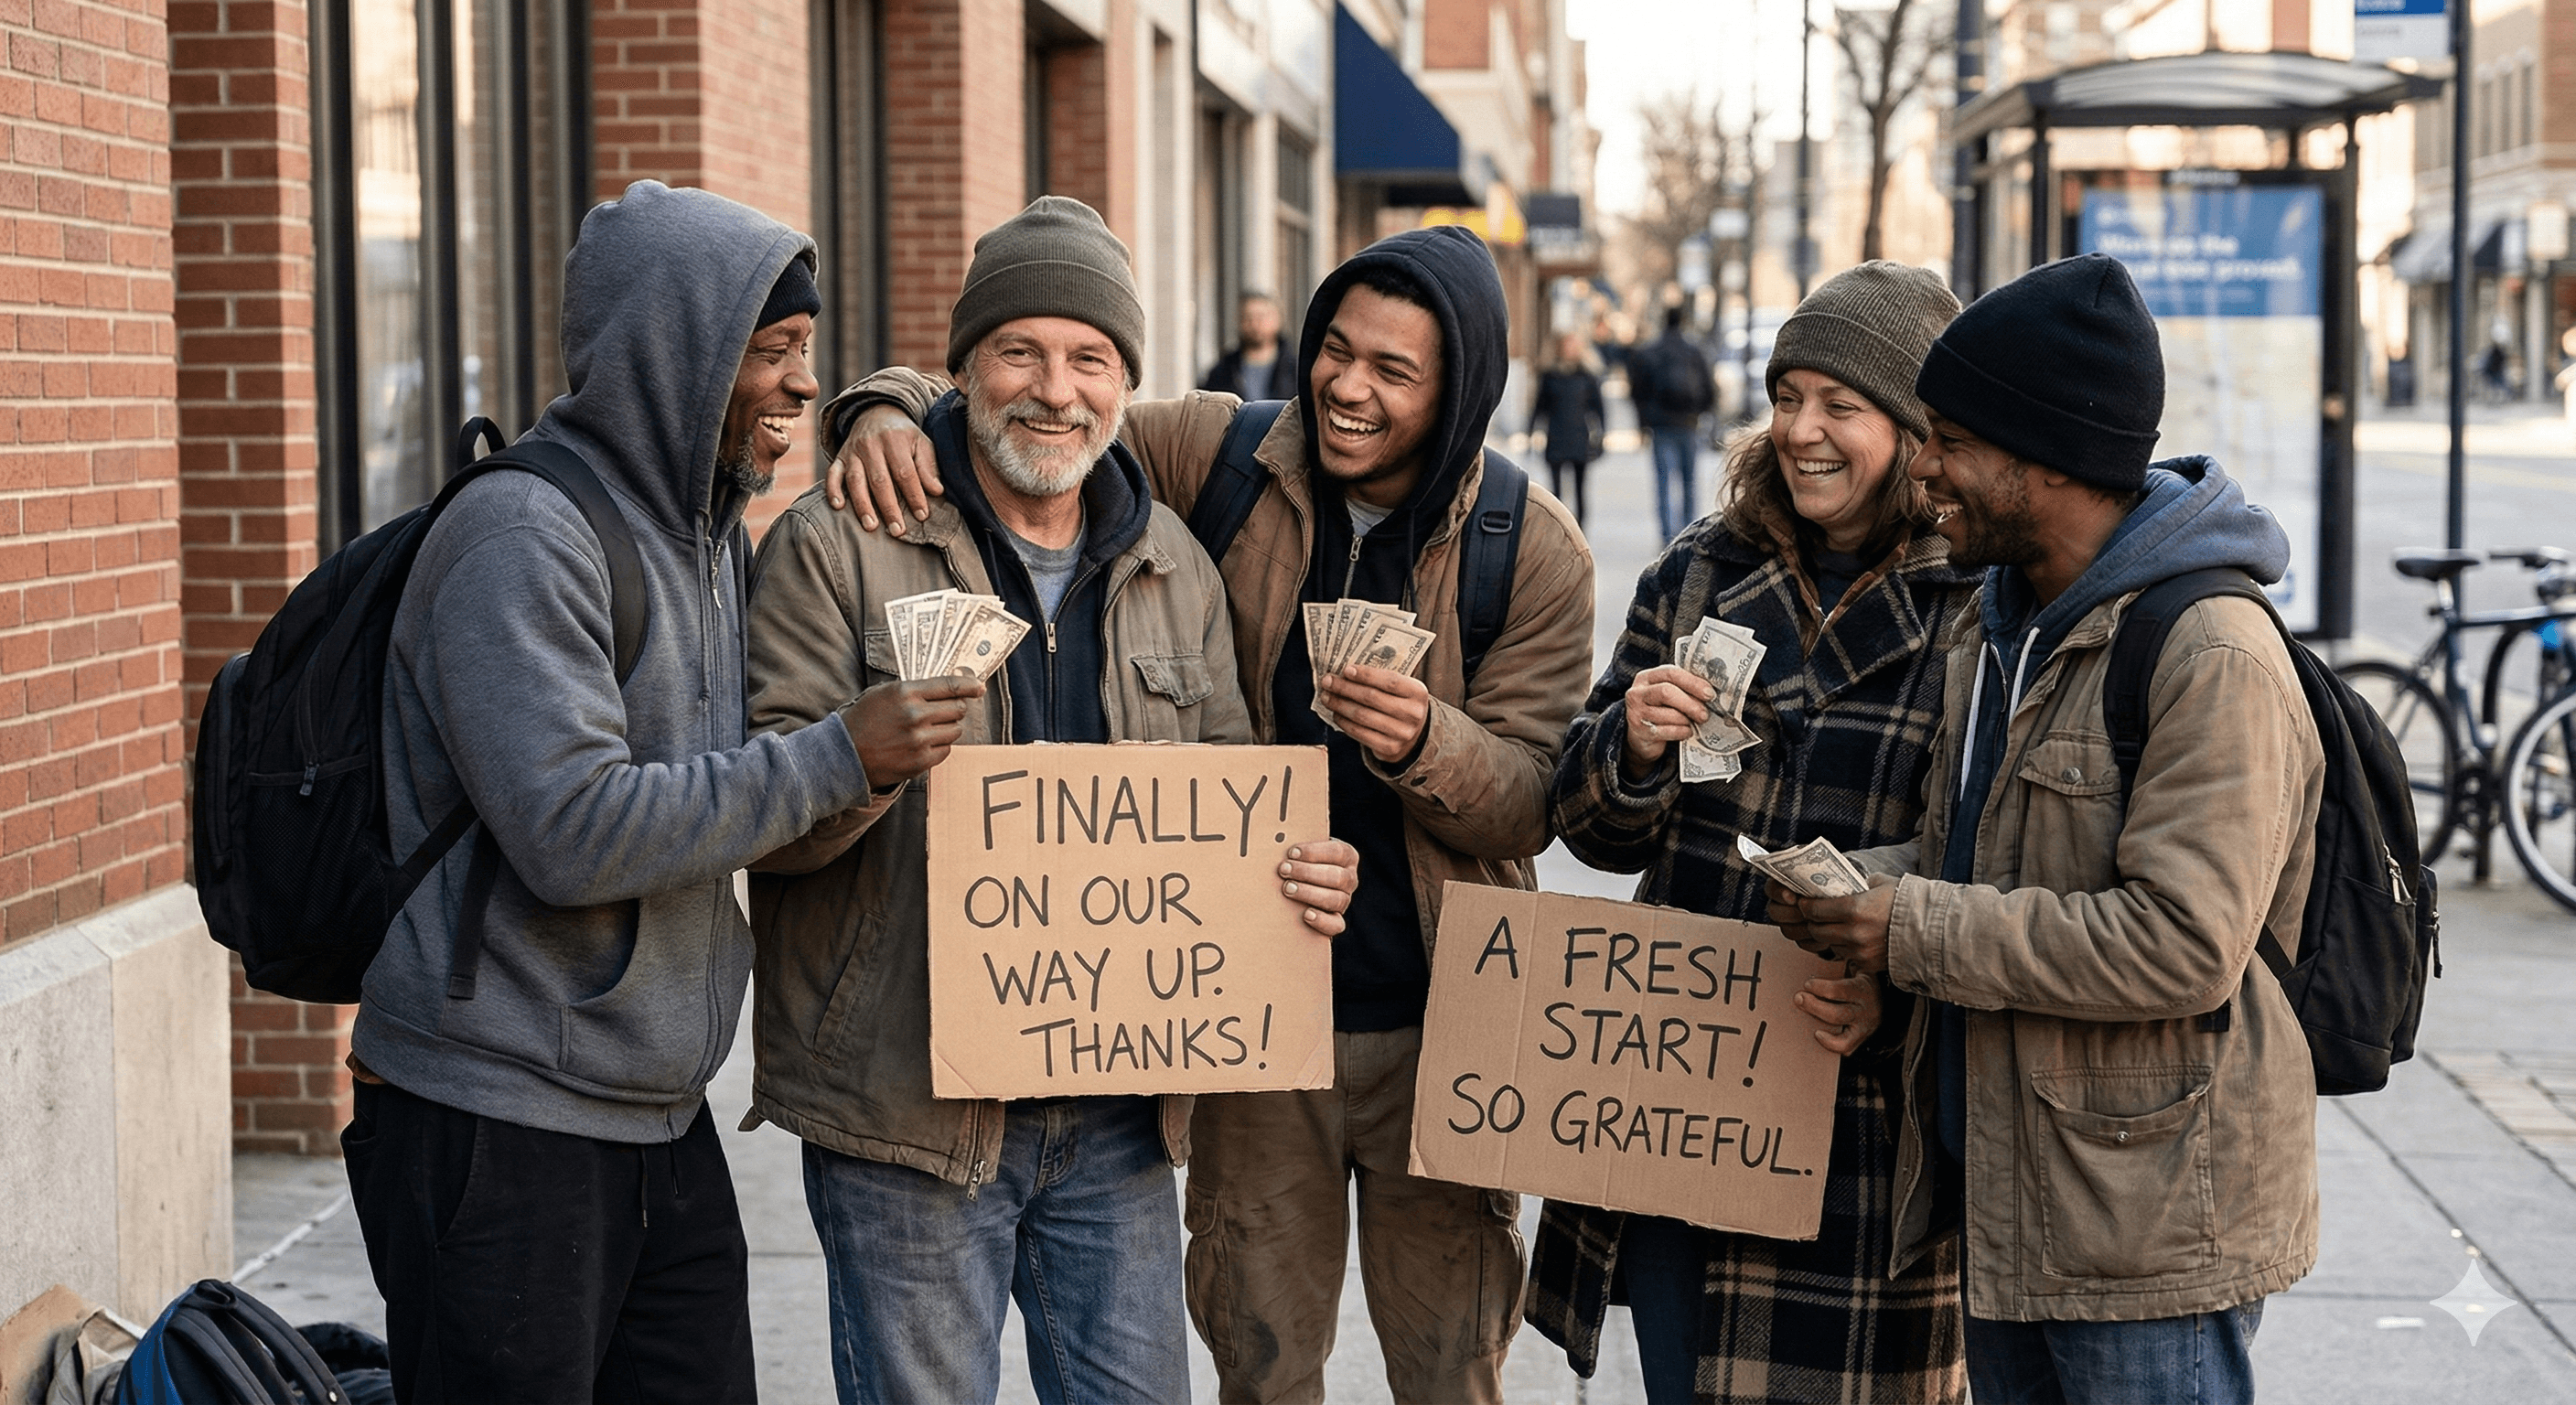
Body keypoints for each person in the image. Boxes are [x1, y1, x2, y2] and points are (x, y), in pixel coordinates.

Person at [827, 224, 1598, 1405]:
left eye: (1393, 372)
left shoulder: (1531, 549)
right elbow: (1041, 405)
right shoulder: (1229, 452)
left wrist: (1425, 739)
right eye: (1336, 349)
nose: (1346, 385)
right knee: (1262, 1359)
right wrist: (879, 410)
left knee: (1453, 1369)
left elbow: (1534, 802)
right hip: (1251, 1029)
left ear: (1458, 393)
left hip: (1444, 1033)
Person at [738, 196, 1359, 1405]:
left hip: (1119, 1116)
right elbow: (765, 823)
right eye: (1019, 349)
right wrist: (867, 757)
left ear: (1127, 382)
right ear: (964, 366)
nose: (1054, 389)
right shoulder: (837, 541)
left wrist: (1295, 882)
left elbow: (1228, 814)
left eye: (1091, 358)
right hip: (904, 1114)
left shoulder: (1175, 563)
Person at [344, 181, 898, 1404]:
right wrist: (840, 756)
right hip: (495, 1116)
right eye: (775, 352)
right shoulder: (523, 536)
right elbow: (572, 832)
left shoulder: (706, 537)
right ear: (679, 356)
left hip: (647, 1111)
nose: (804, 385)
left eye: (810, 353)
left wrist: (894, 408)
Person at [1772, 253, 2324, 1405]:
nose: (1923, 471)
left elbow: (2179, 942)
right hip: (2013, 1201)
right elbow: (1982, 857)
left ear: (2043, 462)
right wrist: (1853, 888)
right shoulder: (2000, 620)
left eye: (1949, 443)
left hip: (2148, 1234)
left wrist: (1908, 926)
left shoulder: (2210, 653)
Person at [1529, 262, 1973, 1404]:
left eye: (1842, 407)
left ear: (1918, 429)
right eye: (1787, 397)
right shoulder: (1699, 570)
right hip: (1686, 1092)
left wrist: (1899, 987)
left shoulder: (1974, 603)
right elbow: (1589, 832)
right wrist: (1626, 745)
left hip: (1859, 1111)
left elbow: (2001, 864)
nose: (1803, 432)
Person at [1632, 304, 1717, 541]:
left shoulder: (1651, 352)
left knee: (1663, 483)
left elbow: (1638, 391)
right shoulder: (1694, 351)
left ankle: (1668, 536)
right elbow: (1709, 388)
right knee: (1689, 482)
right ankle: (1689, 535)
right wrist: (1703, 413)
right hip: (1688, 423)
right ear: (1683, 322)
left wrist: (1643, 422)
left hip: (1660, 425)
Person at [1529, 331, 1607, 527]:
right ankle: (1559, 530)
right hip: (1556, 437)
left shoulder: (1587, 376)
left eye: (1574, 345)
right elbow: (1539, 407)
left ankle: (1580, 531)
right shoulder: (1550, 376)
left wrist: (1601, 437)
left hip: (1579, 438)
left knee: (1580, 490)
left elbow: (1599, 409)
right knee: (1555, 493)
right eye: (1567, 345)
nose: (1570, 349)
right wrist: (1530, 432)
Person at [1201, 290, 1291, 400]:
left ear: (1278, 320)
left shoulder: (1297, 372)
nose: (1254, 324)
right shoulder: (1222, 372)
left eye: (1261, 317)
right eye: (1248, 317)